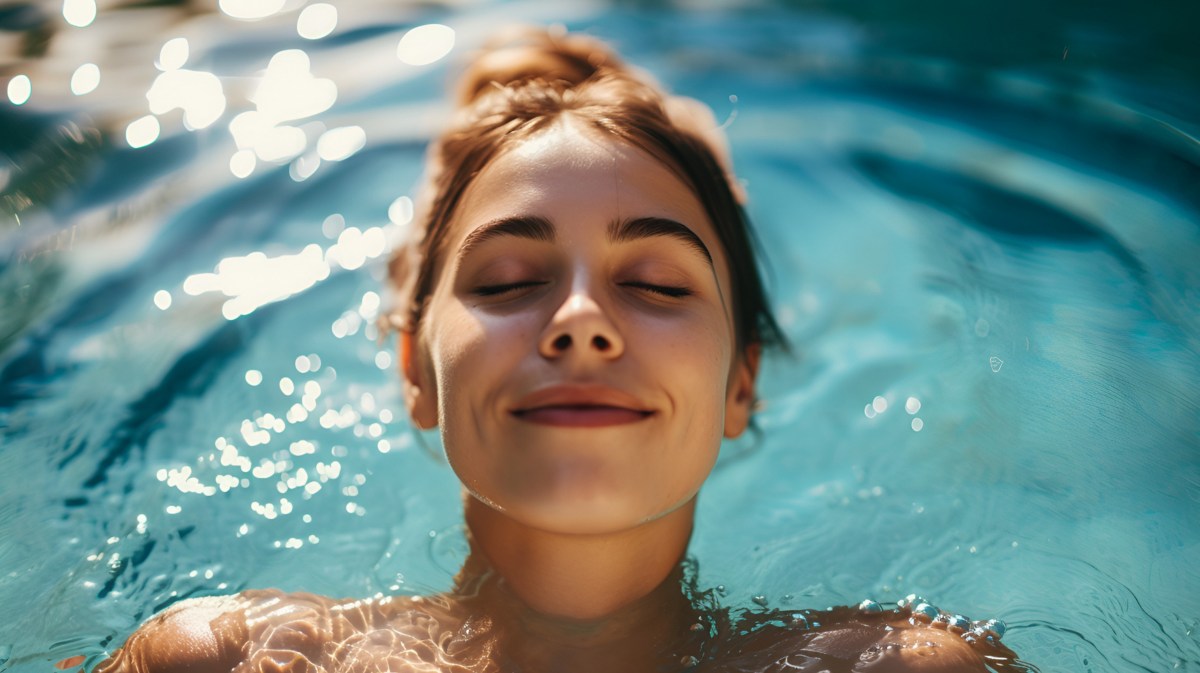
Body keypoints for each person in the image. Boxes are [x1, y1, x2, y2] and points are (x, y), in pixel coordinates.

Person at [94, 26, 1022, 673]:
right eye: (504, 282)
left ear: (742, 383)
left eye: (658, 284)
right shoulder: (221, 660)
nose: (581, 318)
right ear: (416, 370)